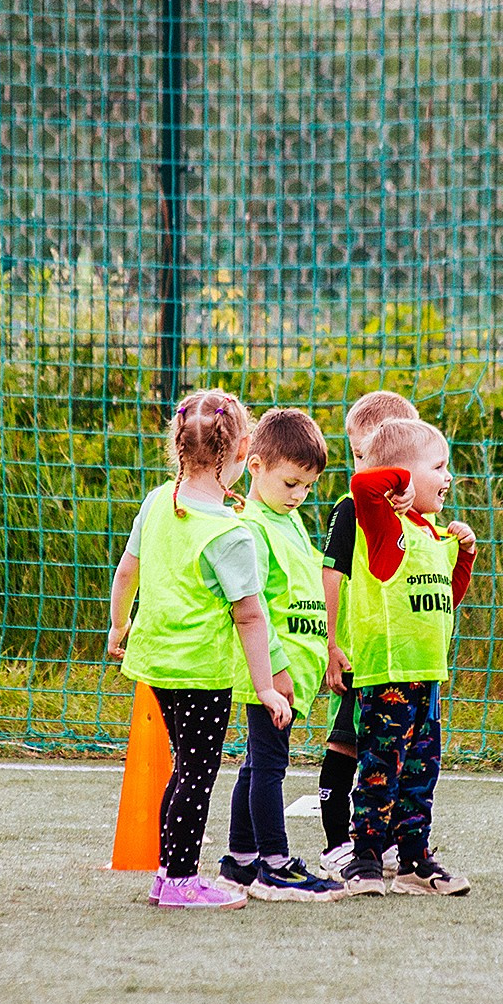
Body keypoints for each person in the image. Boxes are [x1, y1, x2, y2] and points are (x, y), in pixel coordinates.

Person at [106, 389, 293, 911]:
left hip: (156, 663)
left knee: (184, 766)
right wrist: (263, 685)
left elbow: (126, 572)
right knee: (197, 772)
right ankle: (180, 880)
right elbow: (250, 615)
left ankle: (169, 874)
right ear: (239, 454)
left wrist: (117, 628)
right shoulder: (230, 533)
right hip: (200, 671)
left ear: (178, 444)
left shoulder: (157, 502)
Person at [335, 418, 478, 897]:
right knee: (381, 767)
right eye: (438, 467)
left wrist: (465, 557)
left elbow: (447, 599)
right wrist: (397, 482)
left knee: (421, 771)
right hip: (388, 674)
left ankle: (415, 860)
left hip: (428, 676)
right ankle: (366, 859)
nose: (448, 477)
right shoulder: (380, 523)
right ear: (403, 475)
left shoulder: (435, 534)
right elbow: (362, 483)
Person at [215, 408, 348, 902]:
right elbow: (254, 608)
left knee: (257, 761)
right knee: (270, 765)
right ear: (255, 466)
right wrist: (276, 668)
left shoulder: (289, 522)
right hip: (271, 672)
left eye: (308, 487)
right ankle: (275, 864)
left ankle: (240, 861)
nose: (298, 495)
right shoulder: (251, 526)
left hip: (294, 670)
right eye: (291, 482)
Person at [316, 390, 422, 871]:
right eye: (355, 454)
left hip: (400, 658)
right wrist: (333, 644)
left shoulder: (419, 516)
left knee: (396, 748)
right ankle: (337, 841)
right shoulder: (350, 506)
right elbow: (332, 576)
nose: (359, 466)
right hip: (361, 654)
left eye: (367, 456)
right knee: (347, 740)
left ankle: (392, 839)